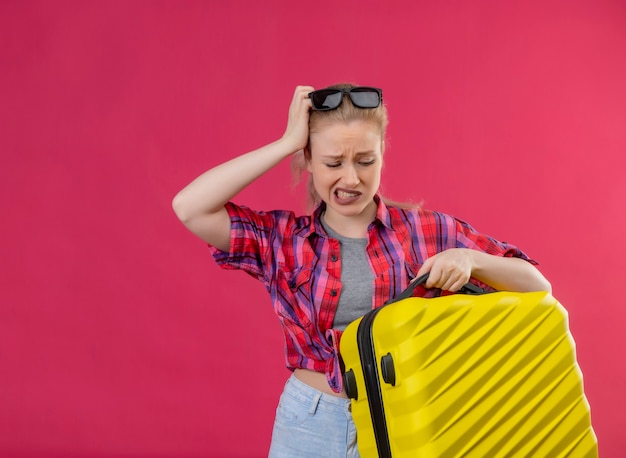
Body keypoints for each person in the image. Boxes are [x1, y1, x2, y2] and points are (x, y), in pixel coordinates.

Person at [172, 83, 551, 457]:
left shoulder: (427, 231)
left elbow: (537, 287)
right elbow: (190, 207)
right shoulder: (283, 240)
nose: (351, 178)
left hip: (410, 417)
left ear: (383, 153)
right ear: (307, 159)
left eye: (365, 160)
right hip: (309, 424)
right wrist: (287, 142)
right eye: (333, 162)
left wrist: (471, 260)